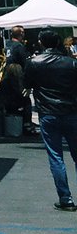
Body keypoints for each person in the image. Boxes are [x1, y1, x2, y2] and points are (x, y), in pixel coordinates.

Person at [24, 28, 77, 211]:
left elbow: (27, 84)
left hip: (48, 113)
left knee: (56, 156)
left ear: (41, 42)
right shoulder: (71, 63)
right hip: (71, 111)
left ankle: (66, 198)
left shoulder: (34, 63)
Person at [3, 25, 33, 132]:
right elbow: (25, 62)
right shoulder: (19, 46)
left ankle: (16, 121)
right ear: (21, 34)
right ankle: (26, 124)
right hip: (17, 75)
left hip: (8, 74)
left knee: (12, 98)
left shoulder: (8, 45)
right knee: (25, 99)